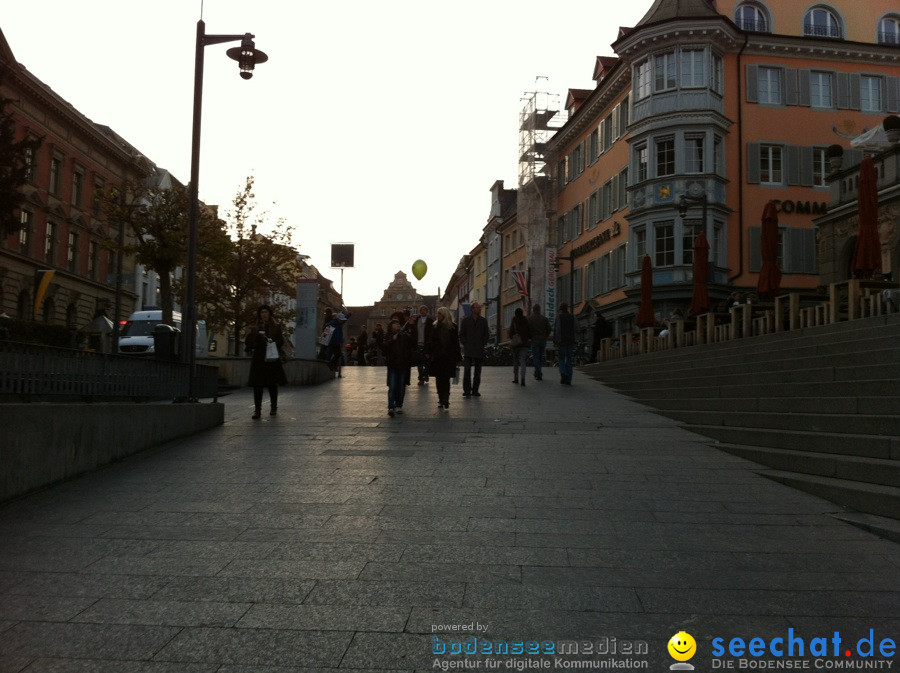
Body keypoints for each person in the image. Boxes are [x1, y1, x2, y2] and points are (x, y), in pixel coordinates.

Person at [244, 304, 287, 419]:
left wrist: (271, 341)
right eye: (262, 312)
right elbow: (248, 343)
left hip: (271, 358)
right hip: (259, 358)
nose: (264, 314)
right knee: (257, 386)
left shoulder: (276, 327)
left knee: (272, 384)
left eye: (266, 312)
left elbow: (280, 341)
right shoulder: (254, 327)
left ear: (270, 314)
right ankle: (257, 410)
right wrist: (256, 338)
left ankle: (274, 407)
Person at [427, 306, 461, 409]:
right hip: (437, 356)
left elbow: (456, 343)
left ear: (445, 314)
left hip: (448, 356)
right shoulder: (435, 326)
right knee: (439, 379)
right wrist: (429, 352)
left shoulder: (453, 327)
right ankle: (441, 399)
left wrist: (458, 357)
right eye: (438, 313)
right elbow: (430, 341)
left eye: (440, 313)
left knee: (445, 379)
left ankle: (445, 399)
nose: (438, 315)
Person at [458, 301, 490, 398]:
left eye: (479, 307)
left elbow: (487, 334)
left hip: (479, 349)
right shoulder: (466, 320)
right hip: (468, 349)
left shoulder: (483, 321)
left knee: (478, 371)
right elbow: (461, 334)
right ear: (472, 309)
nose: (479, 309)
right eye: (477, 307)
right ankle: (467, 390)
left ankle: (475, 390)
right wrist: (465, 343)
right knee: (467, 370)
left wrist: (482, 343)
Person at [384, 315, 413, 417]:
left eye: (399, 324)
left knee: (401, 387)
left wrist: (411, 326)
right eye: (395, 324)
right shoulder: (388, 335)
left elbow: (412, 342)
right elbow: (384, 347)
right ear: (391, 327)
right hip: (392, 364)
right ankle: (391, 406)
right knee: (392, 386)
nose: (398, 325)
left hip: (403, 364)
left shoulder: (404, 335)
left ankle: (399, 405)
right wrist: (392, 339)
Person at [554, 302, 577, 385]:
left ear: (560, 309)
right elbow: (577, 328)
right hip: (571, 340)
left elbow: (557, 330)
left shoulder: (559, 317)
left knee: (561, 359)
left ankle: (563, 372)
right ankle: (568, 380)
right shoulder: (573, 316)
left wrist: (556, 340)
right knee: (569, 360)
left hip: (562, 341)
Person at [527, 304, 551, 381]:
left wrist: (530, 337)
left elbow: (527, 329)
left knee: (536, 357)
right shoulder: (544, 319)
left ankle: (538, 372)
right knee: (540, 357)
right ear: (539, 310)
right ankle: (537, 371)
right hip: (543, 340)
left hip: (534, 340)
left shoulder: (530, 319)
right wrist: (545, 336)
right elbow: (549, 329)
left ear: (533, 310)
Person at [508, 307, 531, 386]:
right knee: (523, 362)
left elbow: (510, 333)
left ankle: (516, 378)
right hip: (524, 344)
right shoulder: (526, 320)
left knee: (516, 362)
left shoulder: (514, 320)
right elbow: (529, 332)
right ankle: (523, 378)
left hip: (515, 345)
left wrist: (512, 337)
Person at [414, 304, 434, 385]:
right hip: (418, 343)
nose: (423, 312)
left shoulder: (430, 321)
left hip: (427, 344)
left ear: (427, 311)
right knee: (419, 363)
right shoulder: (417, 320)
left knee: (427, 362)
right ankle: (421, 378)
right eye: (421, 310)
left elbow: (432, 333)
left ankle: (426, 374)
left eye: (424, 310)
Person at [325, 312, 349, 377]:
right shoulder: (333, 323)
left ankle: (333, 365)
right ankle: (331, 364)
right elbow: (327, 331)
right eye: (341, 320)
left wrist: (348, 315)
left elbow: (345, 319)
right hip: (333, 341)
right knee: (338, 354)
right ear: (338, 319)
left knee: (337, 354)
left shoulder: (338, 323)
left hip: (336, 341)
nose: (342, 321)